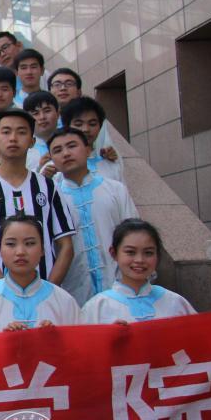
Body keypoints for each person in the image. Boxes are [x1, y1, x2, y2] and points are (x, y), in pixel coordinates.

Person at [0, 109, 75, 288]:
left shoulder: (48, 186)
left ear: (32, 141)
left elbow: (66, 246)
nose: (13, 138)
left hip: (44, 291)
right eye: (6, 132)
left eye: (21, 132)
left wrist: (48, 290)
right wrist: (7, 291)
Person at [50, 128, 137, 300]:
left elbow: (134, 235)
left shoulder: (115, 190)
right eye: (57, 150)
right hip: (73, 292)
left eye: (72, 146)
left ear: (88, 150)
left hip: (120, 288)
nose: (66, 153)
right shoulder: (52, 198)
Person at [0, 215, 82, 335]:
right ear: (0, 250)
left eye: (29, 243)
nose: (20, 252)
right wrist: (4, 340)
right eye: (11, 244)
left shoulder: (64, 301)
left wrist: (55, 338)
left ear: (42, 249)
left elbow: (78, 343)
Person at [82, 219, 196, 323]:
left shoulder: (175, 302)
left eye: (148, 253)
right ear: (114, 253)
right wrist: (108, 335)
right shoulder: (97, 307)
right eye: (130, 252)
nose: (139, 260)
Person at [61, 96, 124, 183]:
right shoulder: (56, 167)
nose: (85, 129)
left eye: (92, 124)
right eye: (78, 124)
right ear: (66, 126)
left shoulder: (110, 164)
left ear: (100, 127)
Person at [22, 91, 61, 173]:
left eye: (47, 111)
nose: (42, 117)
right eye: (35, 113)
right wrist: (39, 170)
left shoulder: (71, 141)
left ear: (58, 113)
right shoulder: (23, 150)